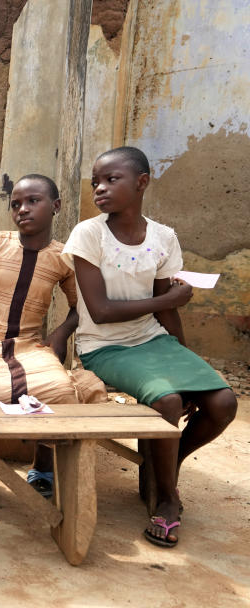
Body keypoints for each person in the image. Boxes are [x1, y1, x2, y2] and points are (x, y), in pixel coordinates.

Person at [62, 146, 236, 548]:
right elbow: (102, 311)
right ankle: (169, 497)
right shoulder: (89, 234)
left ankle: (162, 466)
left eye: (111, 179)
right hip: (104, 346)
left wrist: (185, 357)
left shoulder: (163, 237)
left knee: (223, 403)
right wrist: (166, 303)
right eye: (95, 183)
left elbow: (167, 312)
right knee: (169, 402)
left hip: (154, 340)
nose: (100, 189)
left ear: (141, 182)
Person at [0, 174, 107, 497]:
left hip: (30, 345)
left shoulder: (63, 257)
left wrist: (61, 333)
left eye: (33, 201)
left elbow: (82, 306)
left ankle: (44, 468)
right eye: (16, 204)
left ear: (56, 207)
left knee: (62, 392)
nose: (23, 209)